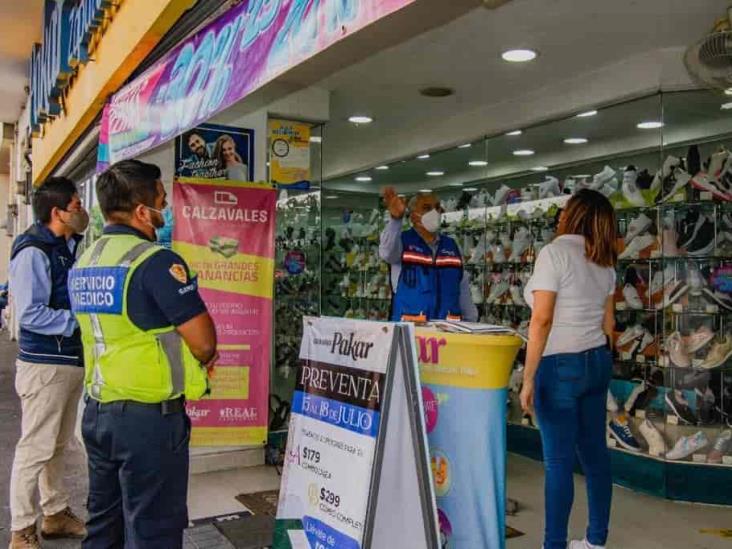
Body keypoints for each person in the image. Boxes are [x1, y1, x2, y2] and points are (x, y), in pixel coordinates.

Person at [68, 159, 218, 548]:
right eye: (161, 201)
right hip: (147, 422)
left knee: (104, 526)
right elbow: (203, 343)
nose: (165, 211)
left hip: (98, 413)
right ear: (141, 211)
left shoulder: (84, 262)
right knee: (154, 530)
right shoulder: (155, 261)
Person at [520, 189, 617, 549]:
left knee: (557, 463)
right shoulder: (604, 260)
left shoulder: (554, 253)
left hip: (559, 364)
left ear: (572, 215)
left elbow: (541, 319)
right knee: (595, 457)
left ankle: (554, 544)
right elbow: (609, 324)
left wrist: (528, 378)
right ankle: (595, 542)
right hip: (596, 361)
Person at [8, 177, 89, 548]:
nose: (81, 211)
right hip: (44, 364)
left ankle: (54, 514)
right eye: (75, 205)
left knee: (57, 445)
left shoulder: (68, 246)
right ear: (57, 212)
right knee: (35, 448)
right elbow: (28, 313)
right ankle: (22, 529)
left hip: (68, 360)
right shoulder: (34, 251)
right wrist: (79, 322)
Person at [379, 187, 478, 322]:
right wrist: (395, 221)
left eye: (437, 207)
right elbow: (386, 253)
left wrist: (471, 322)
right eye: (426, 208)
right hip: (412, 334)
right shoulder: (402, 242)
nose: (434, 212)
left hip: (448, 332)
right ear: (413, 216)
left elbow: (462, 287)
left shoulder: (452, 246)